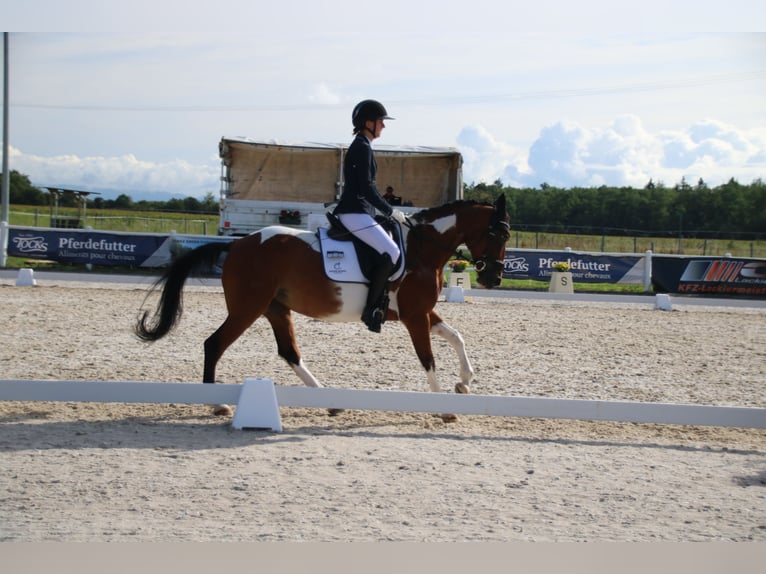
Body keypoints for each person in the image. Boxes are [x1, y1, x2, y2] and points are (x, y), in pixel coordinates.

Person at [333, 99, 406, 333]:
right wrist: (390, 211)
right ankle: (372, 309)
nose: (383, 126)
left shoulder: (363, 145)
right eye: (380, 122)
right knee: (392, 251)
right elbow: (367, 189)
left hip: (360, 211)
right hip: (354, 211)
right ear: (368, 123)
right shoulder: (362, 147)